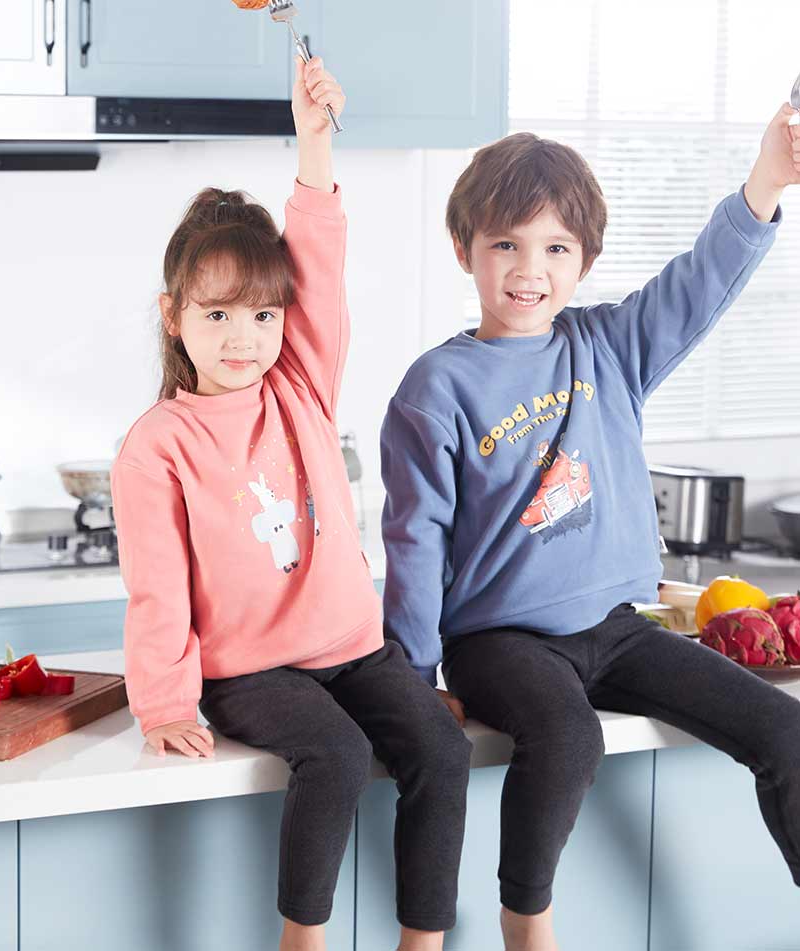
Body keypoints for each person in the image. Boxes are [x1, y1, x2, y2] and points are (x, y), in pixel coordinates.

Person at [380, 103, 800, 951]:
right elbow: (413, 543)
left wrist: (766, 179)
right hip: (499, 641)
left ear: (585, 261)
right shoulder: (436, 387)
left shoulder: (607, 348)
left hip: (617, 631)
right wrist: (415, 680)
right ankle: (524, 918)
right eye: (505, 244)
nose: (528, 270)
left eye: (555, 248)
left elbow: (699, 282)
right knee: (569, 738)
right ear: (463, 248)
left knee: (785, 729)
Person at [111, 57, 471, 951]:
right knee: (337, 755)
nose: (245, 338)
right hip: (251, 673)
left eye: (263, 316)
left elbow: (319, 264)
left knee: (442, 747)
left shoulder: (300, 387)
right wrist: (165, 705)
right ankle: (301, 941)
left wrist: (314, 146)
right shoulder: (159, 443)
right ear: (172, 315)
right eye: (219, 315)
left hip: (354, 651)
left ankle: (422, 941)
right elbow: (157, 590)